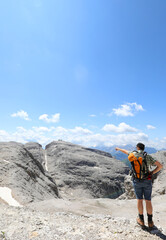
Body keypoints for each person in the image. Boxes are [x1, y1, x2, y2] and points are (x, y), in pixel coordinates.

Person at [115, 143, 163, 228]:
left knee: (139, 200)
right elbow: (160, 166)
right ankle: (150, 221)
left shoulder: (133, 154)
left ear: (137, 148)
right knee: (148, 200)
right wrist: (152, 173)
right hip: (147, 180)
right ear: (143, 148)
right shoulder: (147, 156)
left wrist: (118, 148)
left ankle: (141, 220)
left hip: (136, 180)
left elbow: (126, 151)